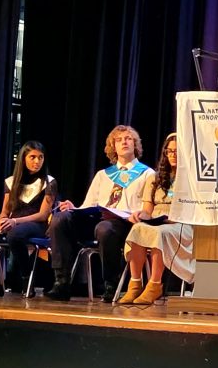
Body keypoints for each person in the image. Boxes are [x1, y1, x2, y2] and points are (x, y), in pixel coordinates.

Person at [46, 125, 155, 302]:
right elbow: (89, 204)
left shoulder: (147, 174)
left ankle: (111, 284)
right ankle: (62, 281)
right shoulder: (103, 175)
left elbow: (148, 208)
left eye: (128, 138)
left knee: (105, 228)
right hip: (97, 218)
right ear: (113, 147)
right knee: (61, 218)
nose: (124, 142)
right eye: (118, 140)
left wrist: (140, 214)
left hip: (125, 222)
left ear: (135, 144)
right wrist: (74, 208)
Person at [0, 141, 58, 297]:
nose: (37, 161)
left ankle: (25, 278)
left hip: (37, 224)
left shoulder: (48, 182)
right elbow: (5, 210)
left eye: (40, 157)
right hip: (14, 222)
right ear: (23, 159)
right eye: (32, 157)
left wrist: (15, 222)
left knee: (15, 234)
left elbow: (43, 215)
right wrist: (2, 221)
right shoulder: (11, 182)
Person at [118, 133, 194, 305]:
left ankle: (154, 285)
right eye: (170, 151)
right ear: (165, 153)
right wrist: (140, 215)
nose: (173, 155)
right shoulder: (155, 178)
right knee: (137, 228)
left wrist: (169, 219)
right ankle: (135, 284)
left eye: (177, 151)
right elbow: (147, 210)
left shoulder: (191, 179)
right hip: (157, 221)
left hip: (180, 224)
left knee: (157, 234)